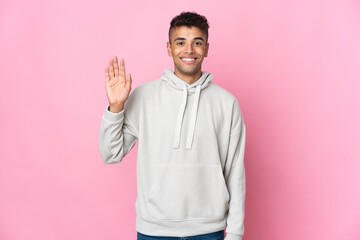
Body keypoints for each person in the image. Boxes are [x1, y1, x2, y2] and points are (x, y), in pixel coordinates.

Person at [98, 11, 246, 240]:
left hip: (209, 231)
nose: (189, 50)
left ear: (206, 48)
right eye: (180, 42)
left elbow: (235, 171)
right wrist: (116, 108)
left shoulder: (227, 103)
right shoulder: (143, 97)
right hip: (153, 231)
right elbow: (111, 154)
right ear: (169, 48)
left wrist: (235, 234)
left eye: (197, 43)